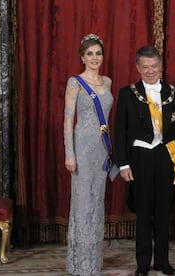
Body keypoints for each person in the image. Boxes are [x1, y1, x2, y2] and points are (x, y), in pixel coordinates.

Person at [114, 45, 175, 276]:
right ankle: (142, 263)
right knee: (144, 211)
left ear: (161, 66)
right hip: (140, 157)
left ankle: (162, 261)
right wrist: (124, 164)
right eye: (145, 67)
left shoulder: (174, 93)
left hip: (167, 157)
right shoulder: (128, 93)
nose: (150, 71)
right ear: (137, 68)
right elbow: (120, 132)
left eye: (154, 66)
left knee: (163, 211)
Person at [64, 33, 113, 275]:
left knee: (96, 202)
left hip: (102, 149)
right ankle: (79, 263)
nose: (95, 58)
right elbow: (68, 120)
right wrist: (69, 154)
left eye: (98, 53)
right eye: (90, 54)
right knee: (83, 203)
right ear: (82, 57)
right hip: (82, 148)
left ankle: (93, 261)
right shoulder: (75, 82)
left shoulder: (108, 82)